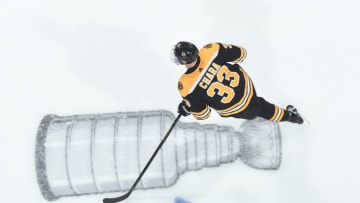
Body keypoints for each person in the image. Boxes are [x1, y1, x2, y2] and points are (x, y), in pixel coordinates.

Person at [172, 41, 303, 124]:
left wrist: (189, 106)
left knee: (258, 109)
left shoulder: (186, 85)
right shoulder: (211, 50)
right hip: (247, 89)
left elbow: (203, 115)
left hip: (235, 110)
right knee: (261, 106)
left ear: (183, 61)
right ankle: (291, 116)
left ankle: (288, 117)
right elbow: (242, 54)